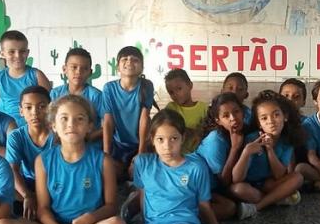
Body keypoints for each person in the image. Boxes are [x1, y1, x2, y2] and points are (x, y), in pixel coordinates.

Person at [0, 95, 125, 224]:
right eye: (64, 118)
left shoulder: (103, 161)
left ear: (90, 126)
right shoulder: (43, 161)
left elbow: (111, 206)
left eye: (80, 119)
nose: (71, 124)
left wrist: (89, 218)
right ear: (53, 126)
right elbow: (43, 208)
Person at [231, 91, 305, 219]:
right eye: (264, 118)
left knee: (298, 177)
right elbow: (236, 179)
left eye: (276, 115)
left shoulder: (286, 141)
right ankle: (277, 198)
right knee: (238, 189)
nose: (271, 121)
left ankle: (256, 207)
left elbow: (279, 175)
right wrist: (246, 153)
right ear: (259, 123)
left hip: (269, 184)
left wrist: (270, 150)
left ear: (285, 117)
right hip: (250, 186)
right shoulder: (252, 139)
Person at [103, 46, 155, 178]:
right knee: (112, 173)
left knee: (138, 173)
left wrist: (141, 152)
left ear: (142, 67)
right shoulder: (109, 88)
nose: (129, 62)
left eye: (135, 59)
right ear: (117, 67)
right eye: (125, 59)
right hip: (118, 145)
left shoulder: (146, 86)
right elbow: (108, 122)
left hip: (139, 144)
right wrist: (106, 155)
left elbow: (144, 118)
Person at [5, 86, 55, 220]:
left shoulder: (57, 135)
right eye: (28, 107)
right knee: (5, 186)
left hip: (53, 182)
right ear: (21, 111)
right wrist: (27, 195)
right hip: (28, 181)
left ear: (50, 109)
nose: (34, 113)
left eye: (41, 106)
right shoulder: (16, 136)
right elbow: (13, 169)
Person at [195, 93, 245, 220]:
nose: (233, 118)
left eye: (236, 111)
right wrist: (235, 148)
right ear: (218, 120)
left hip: (209, 189)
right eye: (226, 116)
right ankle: (175, 216)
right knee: (229, 208)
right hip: (191, 184)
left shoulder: (240, 133)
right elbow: (224, 181)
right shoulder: (215, 140)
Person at [0, 30, 51, 126]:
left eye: (22, 51)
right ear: (2, 54)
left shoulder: (37, 75)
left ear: (27, 53)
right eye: (11, 52)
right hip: (7, 130)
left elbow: (51, 106)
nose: (17, 56)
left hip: (35, 128)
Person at [50, 48, 104, 145]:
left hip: (89, 145)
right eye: (74, 67)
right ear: (64, 69)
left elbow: (106, 126)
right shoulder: (55, 94)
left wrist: (86, 137)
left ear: (90, 72)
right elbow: (50, 122)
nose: (78, 72)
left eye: (84, 68)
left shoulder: (96, 96)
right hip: (62, 145)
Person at [164, 68, 208, 153]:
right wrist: (192, 132)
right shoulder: (171, 108)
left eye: (179, 89)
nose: (176, 94)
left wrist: (201, 132)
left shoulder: (202, 107)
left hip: (199, 153)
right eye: (171, 92)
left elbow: (209, 129)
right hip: (177, 154)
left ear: (190, 85)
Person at [278, 78, 307, 164]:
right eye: (286, 95)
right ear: (278, 98)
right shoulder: (272, 123)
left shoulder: (308, 124)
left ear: (303, 102)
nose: (290, 100)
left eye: (296, 97)